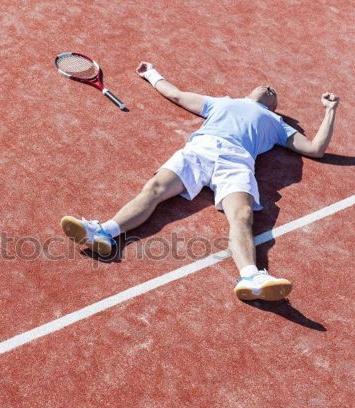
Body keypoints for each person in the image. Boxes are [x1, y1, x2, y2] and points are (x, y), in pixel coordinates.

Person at [61, 61, 339, 301]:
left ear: (274, 106)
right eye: (264, 85)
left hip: (237, 162)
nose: (268, 86)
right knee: (155, 188)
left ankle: (251, 278)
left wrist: (330, 110)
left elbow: (315, 149)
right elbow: (178, 96)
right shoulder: (224, 102)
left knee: (242, 216)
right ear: (248, 93)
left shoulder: (278, 124)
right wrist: (152, 73)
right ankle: (104, 232)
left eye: (273, 92)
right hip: (201, 149)